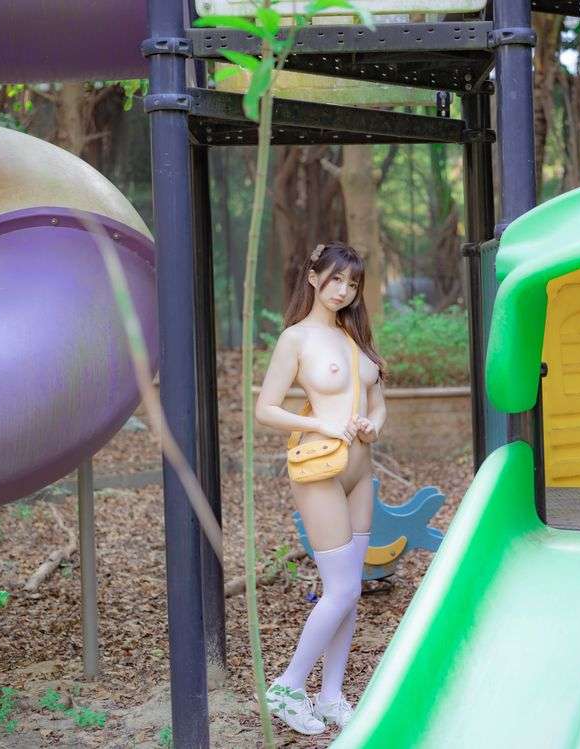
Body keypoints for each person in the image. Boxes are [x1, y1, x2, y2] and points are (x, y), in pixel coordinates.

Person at [255, 241, 387, 735]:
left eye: (352, 284)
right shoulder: (296, 339)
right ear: (313, 277)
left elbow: (379, 403)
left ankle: (331, 695)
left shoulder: (357, 337)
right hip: (320, 470)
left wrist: (372, 425)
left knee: (350, 591)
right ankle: (288, 686)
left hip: (360, 473)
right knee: (343, 587)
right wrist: (321, 425)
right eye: (335, 279)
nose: (343, 290)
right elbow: (265, 409)